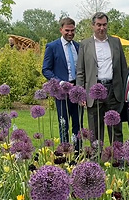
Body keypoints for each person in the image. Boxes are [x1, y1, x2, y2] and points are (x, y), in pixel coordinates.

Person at [76, 12, 127, 144]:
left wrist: (125, 91)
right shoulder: (85, 44)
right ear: (93, 26)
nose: (102, 28)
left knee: (116, 128)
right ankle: (95, 160)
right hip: (94, 91)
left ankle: (117, 160)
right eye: (98, 25)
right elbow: (80, 71)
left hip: (113, 90)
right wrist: (81, 94)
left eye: (104, 25)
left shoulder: (116, 42)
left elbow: (123, 68)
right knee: (95, 129)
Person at [42, 17, 81, 150]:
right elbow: (46, 69)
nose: (70, 33)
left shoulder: (78, 46)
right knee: (63, 123)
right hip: (61, 92)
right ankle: (65, 153)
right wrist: (60, 82)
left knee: (78, 123)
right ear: (61, 30)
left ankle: (78, 152)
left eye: (73, 30)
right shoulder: (52, 47)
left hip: (77, 91)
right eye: (67, 30)